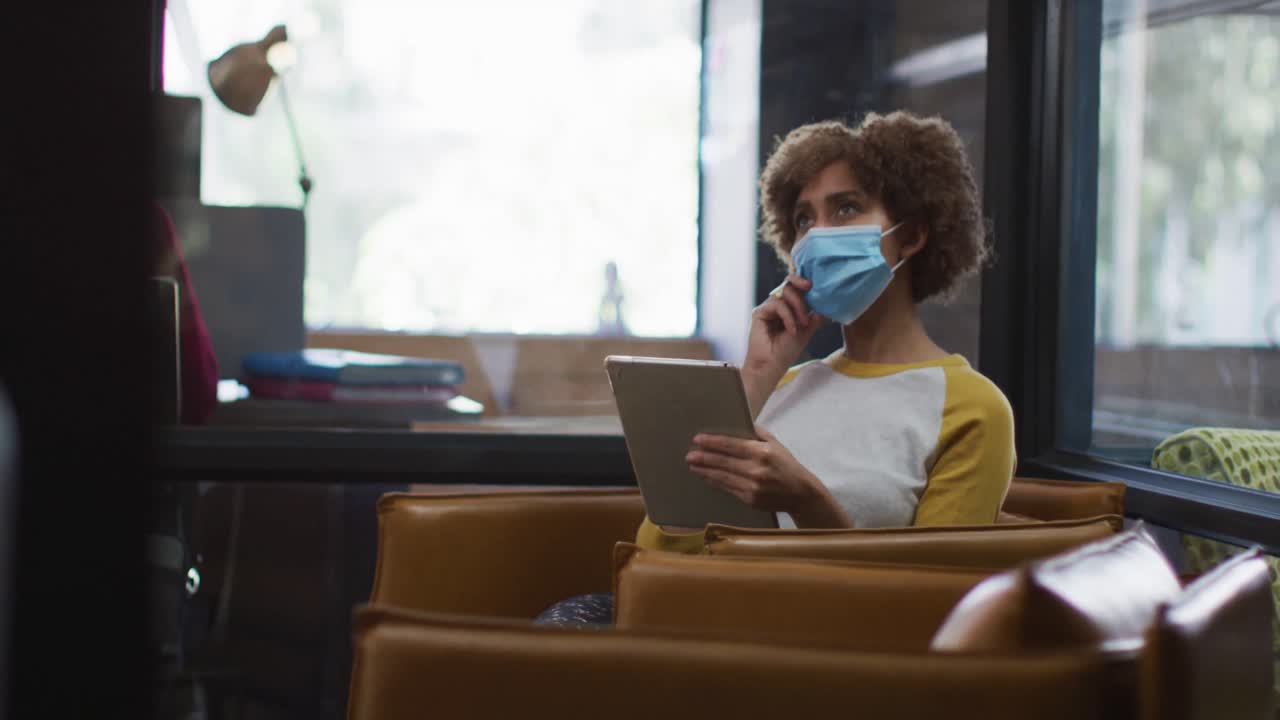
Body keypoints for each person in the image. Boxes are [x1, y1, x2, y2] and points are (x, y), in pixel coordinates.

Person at [534, 110, 1014, 626]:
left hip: (808, 654)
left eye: (846, 208)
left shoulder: (971, 408)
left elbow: (921, 613)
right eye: (805, 218)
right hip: (698, 625)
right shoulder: (782, 385)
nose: (817, 235)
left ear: (913, 234)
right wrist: (757, 375)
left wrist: (807, 501)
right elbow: (655, 561)